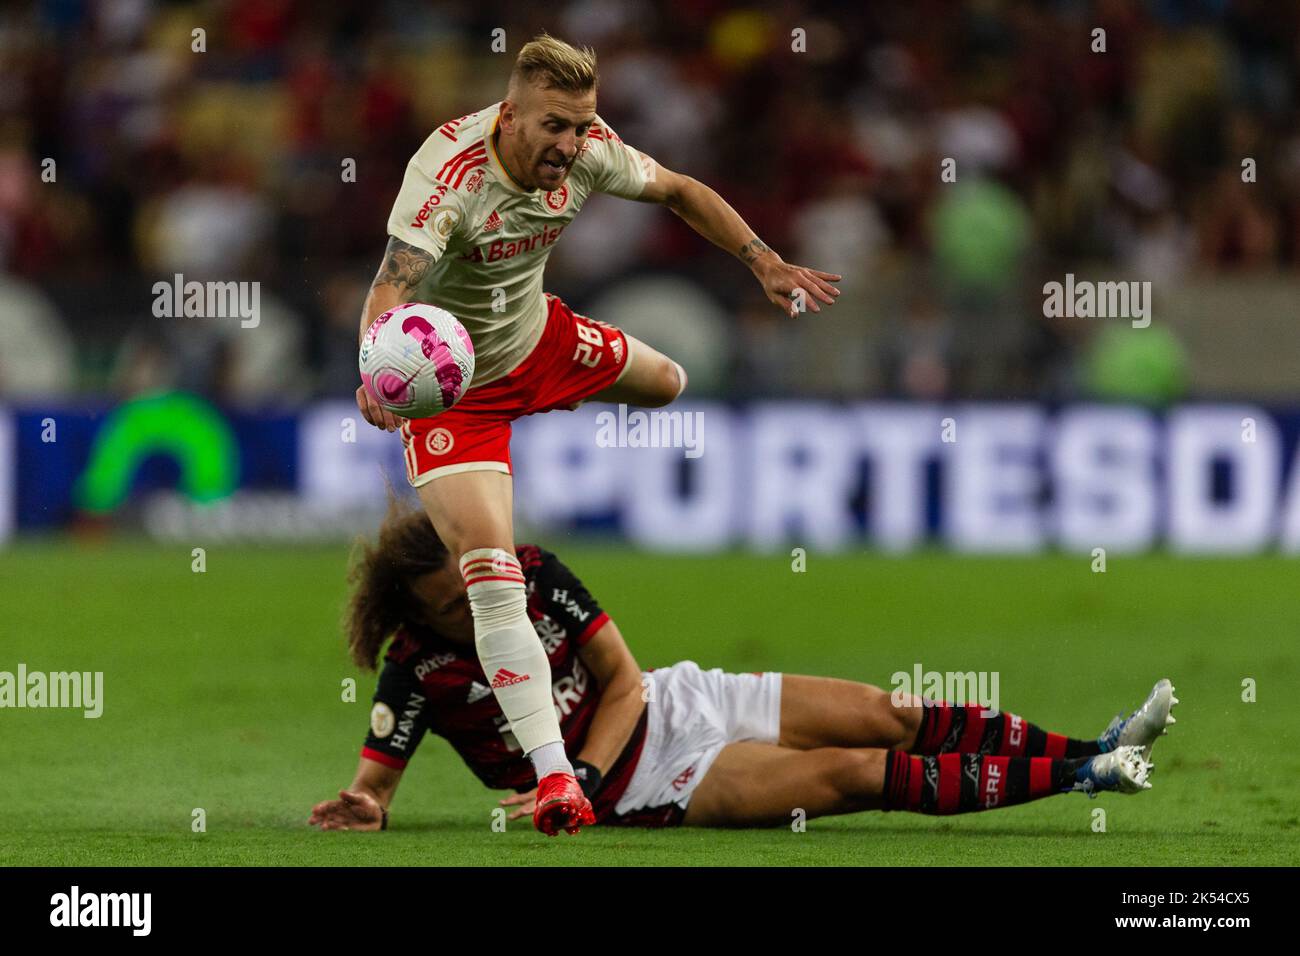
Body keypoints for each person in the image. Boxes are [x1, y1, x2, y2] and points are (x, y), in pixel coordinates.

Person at [352, 33, 842, 835]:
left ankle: (559, 397)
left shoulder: (591, 154)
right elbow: (390, 284)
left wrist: (763, 261)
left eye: (582, 125)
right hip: (455, 393)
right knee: (492, 569)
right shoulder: (447, 178)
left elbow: (682, 191)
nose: (571, 145)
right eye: (554, 126)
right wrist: (376, 370)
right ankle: (556, 782)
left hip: (538, 341)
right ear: (510, 117)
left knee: (668, 384)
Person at [309, 504, 1176, 833]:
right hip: (652, 782)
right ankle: (1086, 778)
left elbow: (623, 678)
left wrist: (575, 771)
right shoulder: (416, 667)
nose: (473, 605)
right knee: (854, 775)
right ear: (411, 611)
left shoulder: (528, 572)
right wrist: (365, 803)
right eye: (450, 603)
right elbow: (374, 783)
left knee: (893, 712)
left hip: (668, 705)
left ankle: (1087, 748)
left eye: (472, 582)